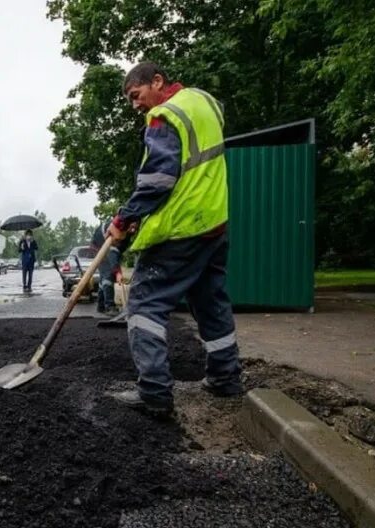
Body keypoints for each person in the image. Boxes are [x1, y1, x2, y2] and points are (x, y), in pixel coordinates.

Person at [106, 62, 243, 415]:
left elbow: (157, 180)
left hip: (180, 228)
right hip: (214, 222)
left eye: (136, 95)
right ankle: (225, 379)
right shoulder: (205, 103)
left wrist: (124, 217)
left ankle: (154, 392)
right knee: (210, 302)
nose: (135, 105)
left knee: (145, 305)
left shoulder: (164, 117)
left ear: (157, 81)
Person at [92, 218, 130, 315]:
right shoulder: (118, 229)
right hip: (98, 247)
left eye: (135, 228)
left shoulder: (128, 233)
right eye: (132, 227)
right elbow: (113, 252)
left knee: (105, 278)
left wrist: (117, 268)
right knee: (108, 276)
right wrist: (118, 272)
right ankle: (109, 306)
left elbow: (118, 252)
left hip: (107, 247)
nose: (134, 230)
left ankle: (101, 306)